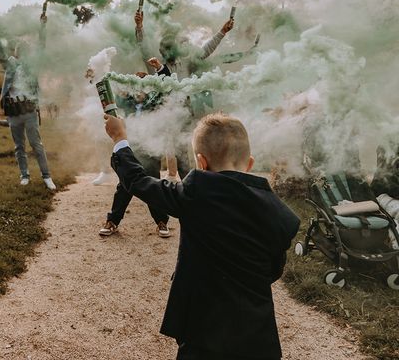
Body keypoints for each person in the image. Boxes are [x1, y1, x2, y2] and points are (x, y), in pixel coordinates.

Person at [104, 112, 300, 360]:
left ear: (201, 162)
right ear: (249, 164)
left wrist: (120, 138)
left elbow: (138, 181)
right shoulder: (273, 208)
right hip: (257, 336)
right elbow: (274, 269)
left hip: (202, 331)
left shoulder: (195, 194)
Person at [99, 61, 175, 238]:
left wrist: (160, 68)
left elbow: (167, 84)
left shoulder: (154, 101)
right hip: (130, 149)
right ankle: (113, 221)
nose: (140, 90)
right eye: (136, 86)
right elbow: (107, 100)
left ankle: (161, 221)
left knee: (153, 183)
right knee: (124, 186)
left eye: (144, 86)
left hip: (151, 149)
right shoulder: (125, 103)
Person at [0, 12, 56, 190]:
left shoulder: (33, 65)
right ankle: (24, 175)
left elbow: (42, 46)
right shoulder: (10, 65)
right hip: (13, 111)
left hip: (29, 109)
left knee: (36, 145)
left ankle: (46, 176)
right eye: (19, 49)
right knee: (19, 147)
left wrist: (43, 27)